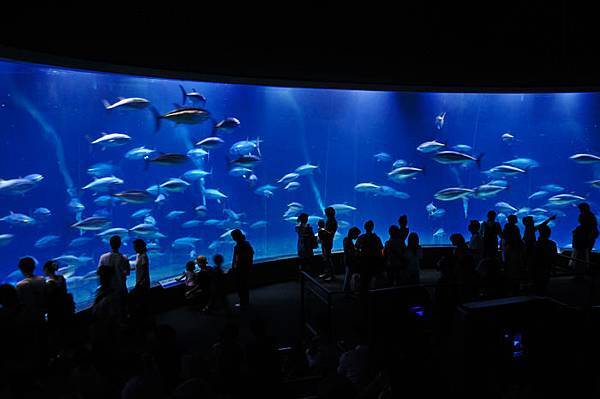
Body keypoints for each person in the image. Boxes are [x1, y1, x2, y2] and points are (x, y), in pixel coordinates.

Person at [97, 235, 131, 318]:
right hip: (121, 288)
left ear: (110, 244)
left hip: (107, 290)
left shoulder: (103, 257)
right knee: (123, 311)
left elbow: (99, 272)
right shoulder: (124, 258)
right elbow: (127, 273)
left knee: (110, 314)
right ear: (120, 244)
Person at [15, 256, 47, 324]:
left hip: (27, 319)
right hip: (42, 316)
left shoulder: (21, 285)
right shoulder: (42, 280)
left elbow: (18, 304)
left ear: (20, 269)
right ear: (34, 267)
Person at [43, 260, 73, 328]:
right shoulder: (61, 278)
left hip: (55, 309)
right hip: (65, 305)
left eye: (44, 270)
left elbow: (48, 297)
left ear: (46, 270)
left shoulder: (49, 283)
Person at [355, 220, 384, 293]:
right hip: (374, 261)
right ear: (373, 227)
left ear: (364, 227)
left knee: (364, 279)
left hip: (364, 261)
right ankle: (373, 294)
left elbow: (356, 247)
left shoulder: (361, 237)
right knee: (373, 278)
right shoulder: (376, 238)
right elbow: (381, 248)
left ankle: (363, 294)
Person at [571, 202, 598, 275]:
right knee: (586, 255)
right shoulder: (592, 216)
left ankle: (581, 272)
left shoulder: (585, 216)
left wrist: (577, 231)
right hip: (589, 238)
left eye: (580, 209)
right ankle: (584, 271)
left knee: (581, 256)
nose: (579, 211)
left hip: (584, 239)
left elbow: (586, 228)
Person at [231, 229, 254, 309]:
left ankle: (242, 302)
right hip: (246, 268)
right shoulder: (247, 243)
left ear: (234, 238)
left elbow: (236, 259)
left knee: (241, 286)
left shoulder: (237, 246)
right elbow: (251, 253)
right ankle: (246, 302)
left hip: (240, 269)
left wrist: (234, 267)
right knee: (245, 286)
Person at [533, 225, 558, 295]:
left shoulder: (536, 244)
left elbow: (533, 256)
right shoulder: (552, 244)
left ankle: (538, 294)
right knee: (545, 281)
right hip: (547, 266)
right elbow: (554, 256)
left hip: (537, 266)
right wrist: (554, 267)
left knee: (537, 281)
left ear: (540, 233)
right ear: (549, 233)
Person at [502, 214, 523, 294]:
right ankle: (514, 284)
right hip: (514, 249)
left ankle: (509, 284)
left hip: (509, 248)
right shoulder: (515, 228)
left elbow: (503, 236)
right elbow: (518, 238)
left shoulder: (506, 227)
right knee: (514, 266)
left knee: (509, 265)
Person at [321, 207, 338, 280]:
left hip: (328, 241)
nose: (325, 214)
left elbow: (331, 233)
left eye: (326, 213)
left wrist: (323, 230)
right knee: (325, 258)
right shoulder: (328, 220)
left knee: (328, 258)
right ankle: (327, 273)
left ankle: (332, 276)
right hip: (325, 241)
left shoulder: (333, 221)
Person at [343, 227, 361, 292]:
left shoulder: (347, 240)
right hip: (349, 261)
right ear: (353, 234)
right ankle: (346, 292)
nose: (357, 236)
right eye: (357, 235)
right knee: (348, 277)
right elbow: (350, 252)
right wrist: (357, 251)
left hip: (348, 260)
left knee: (348, 276)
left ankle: (348, 291)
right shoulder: (347, 240)